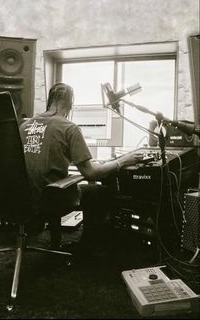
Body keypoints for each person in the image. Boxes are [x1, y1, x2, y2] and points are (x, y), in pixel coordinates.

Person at [20, 82, 142, 254]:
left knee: (52, 183)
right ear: (70, 104)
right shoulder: (69, 127)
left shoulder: (25, 125)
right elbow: (91, 173)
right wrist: (121, 161)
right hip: (50, 200)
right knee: (98, 192)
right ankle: (88, 247)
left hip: (22, 198)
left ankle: (54, 242)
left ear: (50, 100)